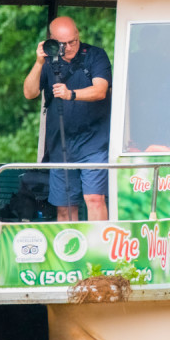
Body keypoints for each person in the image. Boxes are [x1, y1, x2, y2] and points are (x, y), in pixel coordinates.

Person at [23, 16, 111, 221]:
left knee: (95, 198)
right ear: (52, 41)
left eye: (74, 41)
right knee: (64, 206)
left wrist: (71, 94)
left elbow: (100, 90)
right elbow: (29, 93)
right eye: (64, 44)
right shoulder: (46, 62)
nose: (71, 47)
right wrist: (38, 62)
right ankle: (70, 250)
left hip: (94, 144)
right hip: (61, 145)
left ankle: (99, 248)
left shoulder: (95, 55)